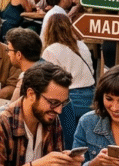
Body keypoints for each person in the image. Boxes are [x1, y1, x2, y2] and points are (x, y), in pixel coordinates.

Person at [40, 14, 95, 148]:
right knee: (86, 142)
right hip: (91, 97)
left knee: (69, 144)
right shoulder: (82, 45)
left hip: (71, 100)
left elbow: (53, 82)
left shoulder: (51, 50)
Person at [6, 27, 43, 102]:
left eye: (9, 50)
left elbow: (12, 110)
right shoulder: (48, 68)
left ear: (19, 55)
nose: (8, 54)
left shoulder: (26, 78)